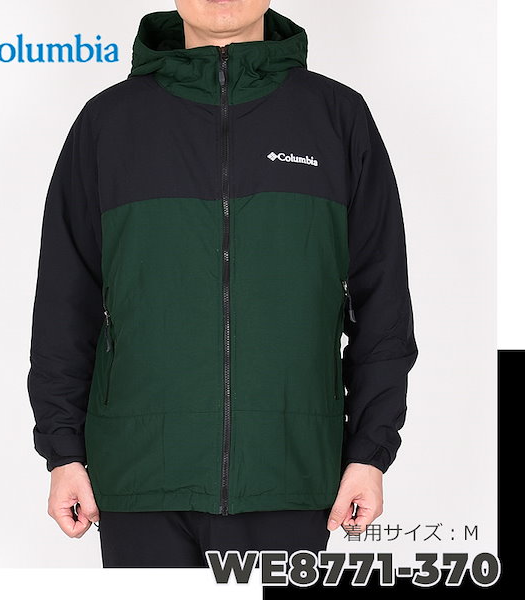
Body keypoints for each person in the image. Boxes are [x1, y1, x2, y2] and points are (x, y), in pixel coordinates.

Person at [27, 0, 418, 568]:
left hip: (291, 474)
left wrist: (369, 452)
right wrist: (63, 452)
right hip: (141, 476)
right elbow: (65, 303)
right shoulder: (108, 122)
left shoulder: (337, 116)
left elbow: (382, 302)